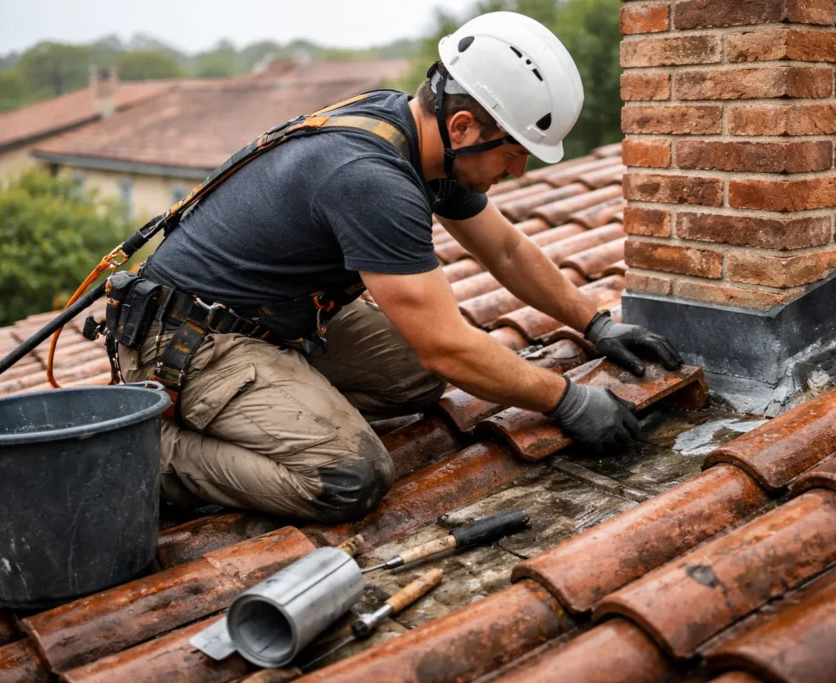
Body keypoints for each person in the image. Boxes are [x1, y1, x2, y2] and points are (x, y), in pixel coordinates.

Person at [114, 12, 681, 523]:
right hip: (190, 343)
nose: (519, 171)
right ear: (462, 128)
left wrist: (595, 323)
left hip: (275, 320)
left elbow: (505, 251)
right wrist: (567, 399)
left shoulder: (416, 134)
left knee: (417, 379)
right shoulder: (371, 180)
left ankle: (279, 401)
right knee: (349, 476)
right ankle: (155, 452)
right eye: (512, 152)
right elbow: (448, 345)